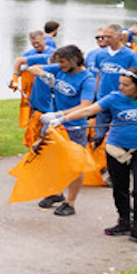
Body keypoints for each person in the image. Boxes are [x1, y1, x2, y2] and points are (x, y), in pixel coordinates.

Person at [49, 67, 137, 247]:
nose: (120, 87)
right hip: (116, 148)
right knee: (120, 187)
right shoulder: (114, 98)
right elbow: (89, 110)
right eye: (120, 84)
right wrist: (61, 118)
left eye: (126, 85)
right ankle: (124, 221)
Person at [30, 44, 97, 216]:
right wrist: (44, 75)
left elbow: (85, 106)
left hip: (75, 127)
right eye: (58, 62)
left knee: (75, 165)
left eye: (63, 61)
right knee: (51, 160)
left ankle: (70, 202)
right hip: (55, 126)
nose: (60, 65)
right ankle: (56, 192)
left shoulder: (87, 79)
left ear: (75, 59)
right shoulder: (60, 69)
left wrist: (60, 114)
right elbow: (33, 68)